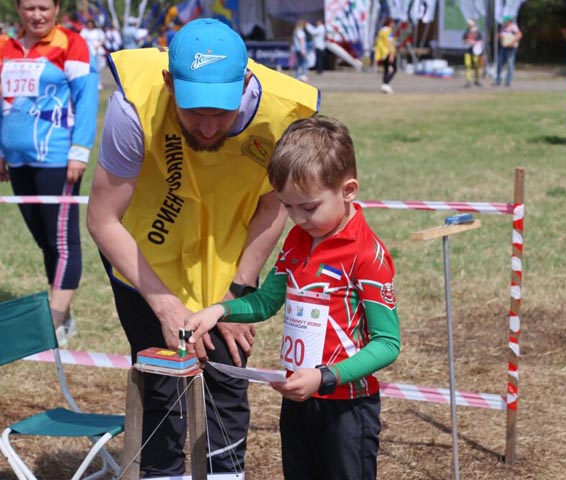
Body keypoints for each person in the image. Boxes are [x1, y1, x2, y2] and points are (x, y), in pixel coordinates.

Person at [86, 18, 319, 476]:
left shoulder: (285, 114)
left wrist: (237, 290)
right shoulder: (135, 106)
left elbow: (275, 203)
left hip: (228, 263)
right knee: (162, 394)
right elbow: (101, 219)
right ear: (170, 83)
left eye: (222, 112)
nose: (209, 128)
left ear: (246, 81)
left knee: (227, 383)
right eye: (194, 112)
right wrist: (164, 305)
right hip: (145, 260)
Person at [184, 114, 401, 480]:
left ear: (348, 190)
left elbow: (387, 343)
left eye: (309, 207)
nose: (297, 218)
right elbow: (266, 301)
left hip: (347, 410)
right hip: (299, 400)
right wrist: (217, 311)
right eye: (287, 207)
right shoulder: (297, 241)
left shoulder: (367, 254)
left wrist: (326, 378)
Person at [0, 0, 98, 347]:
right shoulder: (5, 46)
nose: (36, 15)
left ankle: (54, 325)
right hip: (17, 159)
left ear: (57, 8)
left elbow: (87, 99)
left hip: (57, 158)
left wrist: (79, 151)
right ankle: (63, 313)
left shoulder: (72, 44)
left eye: (43, 7)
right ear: (18, 9)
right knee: (44, 241)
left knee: (62, 242)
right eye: (29, 8)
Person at [495, 15, 522, 87]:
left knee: (510, 64)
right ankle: (498, 81)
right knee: (499, 63)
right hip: (504, 47)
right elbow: (501, 35)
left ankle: (508, 81)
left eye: (505, 22)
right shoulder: (503, 28)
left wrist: (512, 42)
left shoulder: (513, 27)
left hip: (511, 48)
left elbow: (519, 35)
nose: (504, 23)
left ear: (509, 21)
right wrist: (499, 36)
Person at [80, 19, 106, 89]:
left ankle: (98, 83)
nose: (89, 25)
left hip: (98, 51)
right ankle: (90, 83)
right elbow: (81, 39)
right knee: (89, 68)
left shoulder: (98, 31)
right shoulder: (84, 31)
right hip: (88, 51)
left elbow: (102, 39)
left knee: (98, 68)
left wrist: (98, 45)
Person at [374, 17, 397, 94]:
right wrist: (391, 54)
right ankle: (386, 84)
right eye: (392, 23)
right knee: (394, 69)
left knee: (386, 69)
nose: (393, 24)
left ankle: (384, 85)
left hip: (382, 52)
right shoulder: (389, 31)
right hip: (388, 52)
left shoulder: (381, 31)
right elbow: (390, 42)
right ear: (389, 23)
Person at [462, 19, 484, 88]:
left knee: (476, 65)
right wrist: (466, 41)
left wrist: (475, 43)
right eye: (468, 23)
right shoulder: (467, 31)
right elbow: (463, 40)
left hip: (476, 51)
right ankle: (468, 81)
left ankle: (477, 80)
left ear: (474, 23)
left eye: (470, 23)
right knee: (468, 65)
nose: (469, 24)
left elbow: (481, 41)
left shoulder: (478, 32)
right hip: (468, 51)